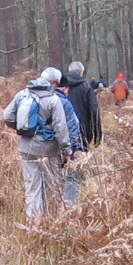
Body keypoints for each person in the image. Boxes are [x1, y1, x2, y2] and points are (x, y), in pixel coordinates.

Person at [1, 69, 71, 220]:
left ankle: (34, 225)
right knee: (52, 187)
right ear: (53, 82)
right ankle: (52, 224)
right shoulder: (53, 99)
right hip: (49, 150)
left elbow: (7, 116)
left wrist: (23, 129)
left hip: (27, 148)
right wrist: (66, 150)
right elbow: (60, 127)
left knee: (32, 188)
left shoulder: (23, 94)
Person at [52, 69, 88, 208]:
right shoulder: (64, 103)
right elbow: (72, 128)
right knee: (69, 178)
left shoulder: (41, 100)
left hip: (46, 149)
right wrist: (74, 150)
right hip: (64, 149)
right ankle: (69, 208)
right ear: (64, 88)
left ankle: (54, 209)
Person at [61, 62, 103, 148]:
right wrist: (97, 135)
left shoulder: (61, 87)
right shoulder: (86, 87)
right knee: (81, 157)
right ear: (81, 72)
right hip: (83, 131)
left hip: (62, 130)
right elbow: (94, 111)